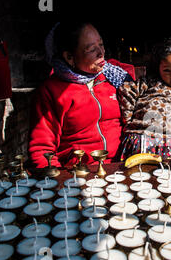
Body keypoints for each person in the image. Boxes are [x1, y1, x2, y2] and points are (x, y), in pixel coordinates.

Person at [28, 21, 135, 168]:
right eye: (91, 49)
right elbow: (41, 150)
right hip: (78, 173)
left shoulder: (114, 77)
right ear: (69, 57)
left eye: (101, 45)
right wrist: (59, 182)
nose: (101, 53)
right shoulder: (51, 91)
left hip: (122, 165)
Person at [117, 37, 171, 160]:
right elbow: (126, 91)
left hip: (165, 143)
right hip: (139, 139)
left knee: (163, 174)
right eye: (167, 70)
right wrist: (129, 121)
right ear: (158, 68)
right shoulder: (150, 83)